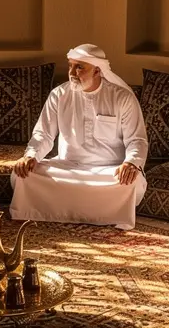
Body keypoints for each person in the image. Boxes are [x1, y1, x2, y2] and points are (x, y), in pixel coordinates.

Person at [9, 44, 148, 230]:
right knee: (23, 174)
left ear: (97, 70)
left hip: (108, 172)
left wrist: (131, 163)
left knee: (130, 181)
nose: (72, 72)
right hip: (67, 167)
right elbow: (43, 134)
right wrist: (31, 156)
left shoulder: (122, 98)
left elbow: (136, 139)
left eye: (80, 67)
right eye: (71, 66)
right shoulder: (59, 94)